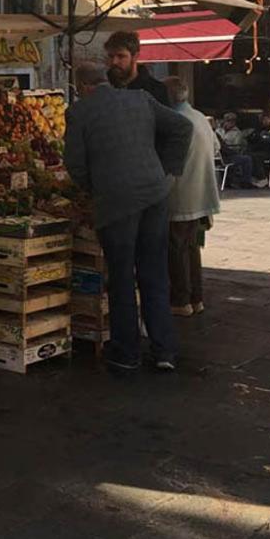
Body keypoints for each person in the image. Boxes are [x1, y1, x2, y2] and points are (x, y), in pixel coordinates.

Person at [64, 61, 192, 375]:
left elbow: (75, 162)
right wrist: (170, 171)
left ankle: (126, 352)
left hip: (116, 201)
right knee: (154, 273)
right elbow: (182, 127)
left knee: (121, 277)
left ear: (82, 87)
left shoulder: (79, 111)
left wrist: (94, 186)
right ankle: (165, 351)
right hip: (154, 194)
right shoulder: (140, 99)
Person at [163, 77, 219, 317]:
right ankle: (196, 298)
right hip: (201, 192)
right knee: (191, 247)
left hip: (181, 193)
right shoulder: (199, 117)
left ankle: (180, 300)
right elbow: (216, 148)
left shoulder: (175, 121)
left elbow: (168, 162)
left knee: (176, 248)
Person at [103, 30, 170, 105]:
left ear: (135, 56)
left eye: (121, 56)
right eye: (111, 56)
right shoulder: (104, 89)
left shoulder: (155, 90)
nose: (114, 62)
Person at [214, 112, 258, 189]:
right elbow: (225, 148)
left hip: (222, 155)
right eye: (226, 120)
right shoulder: (217, 132)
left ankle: (236, 181)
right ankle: (245, 182)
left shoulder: (237, 133)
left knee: (243, 157)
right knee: (247, 159)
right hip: (224, 156)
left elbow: (237, 147)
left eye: (231, 121)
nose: (228, 123)